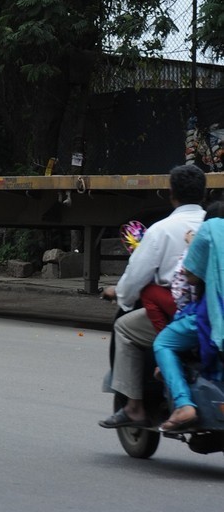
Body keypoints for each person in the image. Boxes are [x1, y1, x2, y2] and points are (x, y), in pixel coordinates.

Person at [98, 163, 206, 429]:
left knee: (124, 327)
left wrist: (118, 293)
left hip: (183, 312)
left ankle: (134, 407)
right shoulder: (214, 224)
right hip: (214, 308)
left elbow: (135, 278)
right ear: (205, 194)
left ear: (172, 194)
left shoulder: (162, 229)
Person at [153, 202, 224, 431]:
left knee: (163, 342)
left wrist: (193, 243)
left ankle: (184, 404)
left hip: (212, 314)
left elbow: (190, 276)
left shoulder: (210, 230)